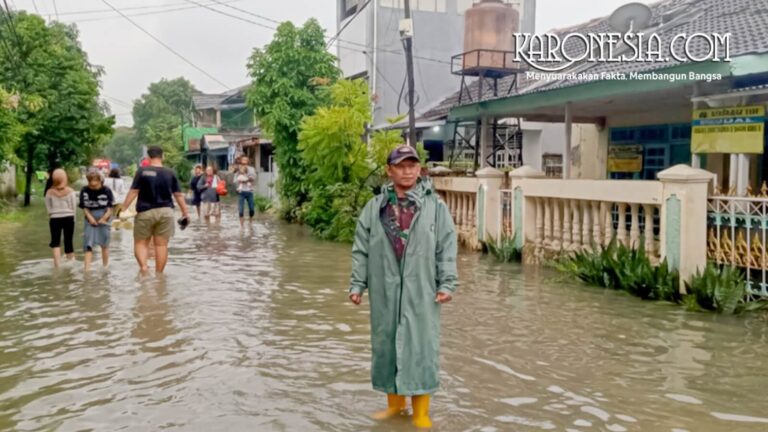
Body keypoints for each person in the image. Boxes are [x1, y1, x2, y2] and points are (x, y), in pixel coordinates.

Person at [348, 145, 458, 429]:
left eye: (413, 165)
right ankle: (395, 407)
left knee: (421, 346)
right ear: (390, 170)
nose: (408, 171)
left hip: (422, 288)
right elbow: (361, 249)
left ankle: (421, 413)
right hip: (384, 287)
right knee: (386, 344)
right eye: (401, 165)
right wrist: (358, 283)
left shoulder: (435, 206)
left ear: (420, 169)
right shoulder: (375, 208)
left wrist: (447, 282)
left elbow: (446, 247)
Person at [122, 146, 190, 274]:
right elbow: (178, 195)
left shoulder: (142, 171)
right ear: (162, 156)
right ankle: (159, 275)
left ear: (148, 157)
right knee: (161, 245)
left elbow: (133, 191)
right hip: (166, 212)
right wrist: (185, 213)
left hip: (145, 212)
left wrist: (123, 208)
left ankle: (144, 268)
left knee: (141, 243)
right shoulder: (170, 172)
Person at [79, 170, 114, 271]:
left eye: (95, 183)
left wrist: (103, 218)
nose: (93, 185)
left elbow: (110, 208)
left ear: (100, 181)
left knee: (105, 244)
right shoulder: (84, 190)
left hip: (104, 217)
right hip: (90, 218)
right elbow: (84, 207)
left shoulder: (107, 190)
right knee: (88, 244)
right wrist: (90, 218)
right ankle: (87, 270)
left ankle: (105, 267)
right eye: (90, 183)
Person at [45, 169, 77, 267]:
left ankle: (57, 265)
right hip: (69, 218)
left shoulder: (49, 192)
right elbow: (73, 206)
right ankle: (71, 262)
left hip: (54, 219)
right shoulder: (71, 191)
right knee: (68, 240)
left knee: (55, 242)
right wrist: (73, 217)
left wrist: (52, 214)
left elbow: (48, 207)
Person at [234, 156, 256, 227]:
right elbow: (235, 180)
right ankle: (242, 226)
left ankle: (250, 223)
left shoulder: (251, 169)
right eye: (243, 159)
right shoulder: (238, 169)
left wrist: (247, 179)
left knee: (252, 209)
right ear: (241, 161)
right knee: (241, 209)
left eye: (246, 159)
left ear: (248, 161)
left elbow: (253, 178)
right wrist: (239, 180)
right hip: (241, 192)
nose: (244, 161)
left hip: (249, 191)